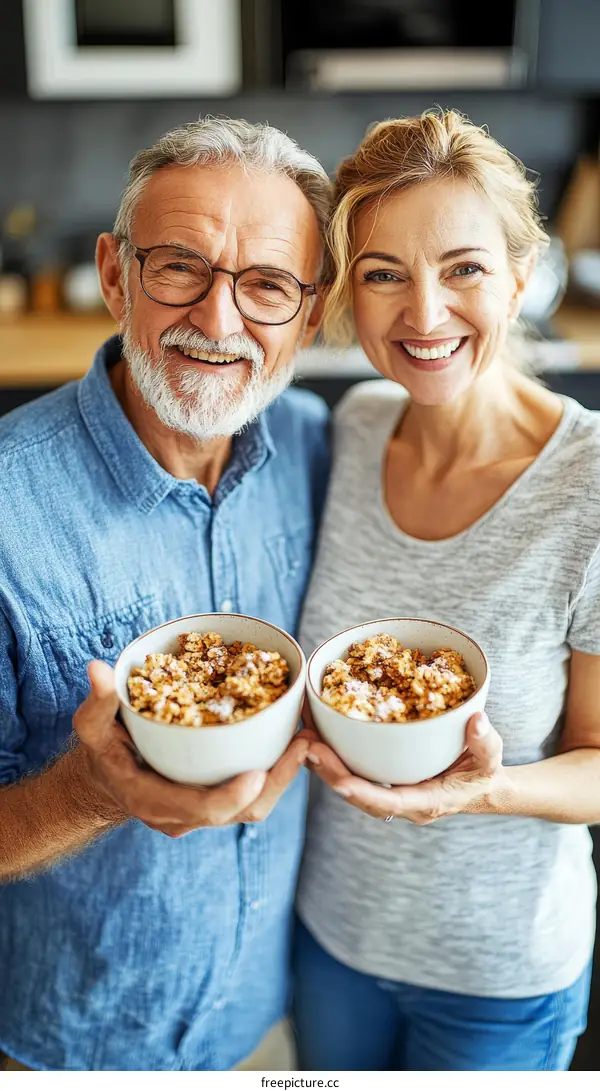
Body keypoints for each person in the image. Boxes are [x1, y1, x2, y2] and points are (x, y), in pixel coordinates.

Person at [0, 117, 331, 1071]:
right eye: (179, 267)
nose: (219, 322)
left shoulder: (317, 447)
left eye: (268, 285)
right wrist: (91, 794)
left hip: (261, 1021)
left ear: (311, 316)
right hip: (62, 1044)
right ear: (114, 275)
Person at [294, 109, 600, 1072]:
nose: (423, 315)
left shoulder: (588, 488)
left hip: (495, 970)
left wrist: (482, 792)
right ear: (349, 294)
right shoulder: (349, 429)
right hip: (330, 934)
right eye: (384, 274)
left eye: (463, 268)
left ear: (521, 275)